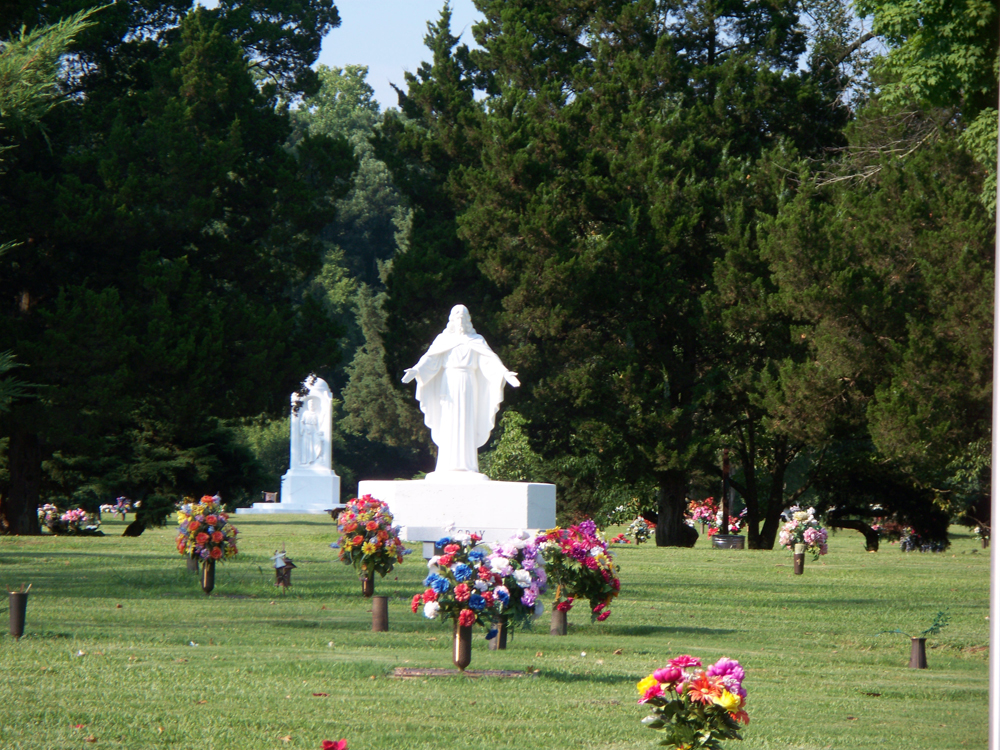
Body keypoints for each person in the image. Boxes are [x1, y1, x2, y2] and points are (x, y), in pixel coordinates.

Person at [402, 305, 519, 479]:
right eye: (458, 318)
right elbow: (430, 360)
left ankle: (468, 465)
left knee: (466, 420)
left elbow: (489, 361)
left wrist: (505, 373)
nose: (461, 322)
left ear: (468, 320)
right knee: (448, 420)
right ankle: (447, 465)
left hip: (468, 384)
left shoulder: (476, 340)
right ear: (452, 320)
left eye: (464, 318)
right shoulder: (444, 340)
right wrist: (416, 371)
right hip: (449, 384)